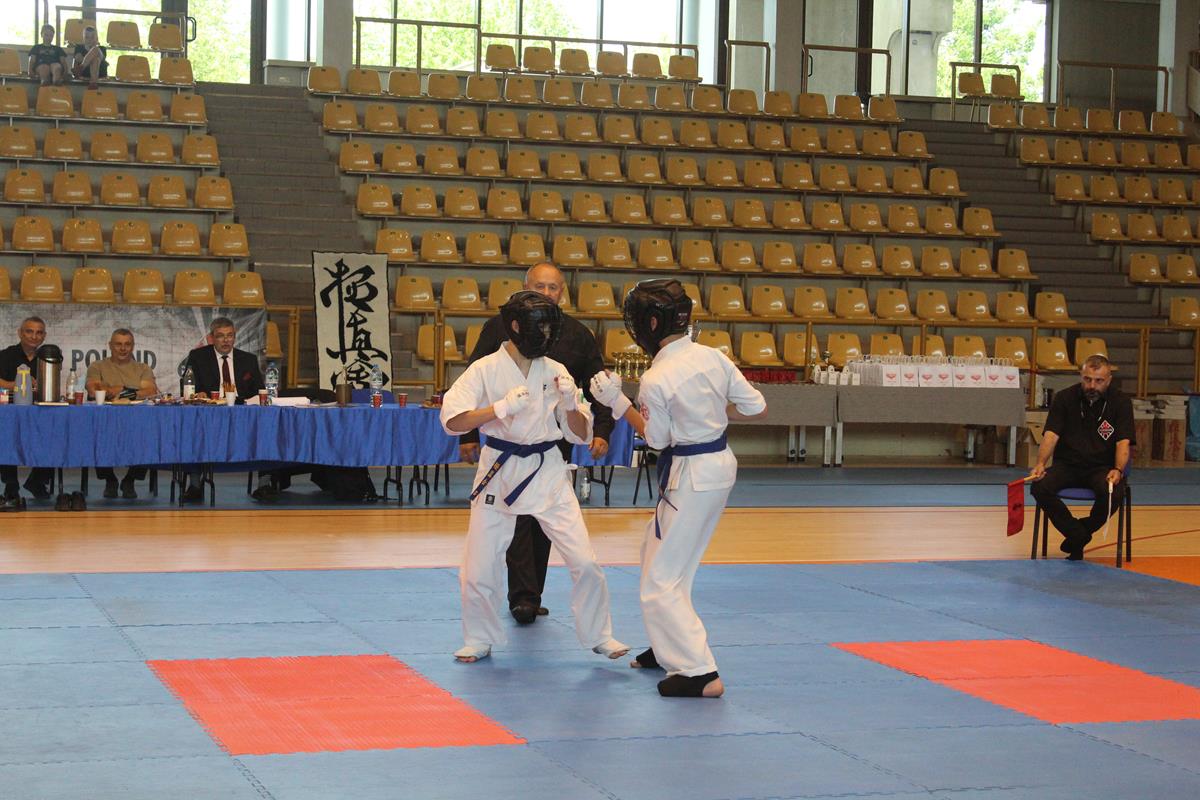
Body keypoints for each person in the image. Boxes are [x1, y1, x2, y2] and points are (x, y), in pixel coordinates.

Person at [589, 279, 767, 698]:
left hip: (690, 474)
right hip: (717, 465)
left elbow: (656, 439)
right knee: (659, 556)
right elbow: (755, 406)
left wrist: (618, 403)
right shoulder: (713, 356)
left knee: (662, 578)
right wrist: (705, 414)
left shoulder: (657, 377)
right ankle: (667, 644)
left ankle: (698, 672)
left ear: (650, 324)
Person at [439, 290, 627, 664]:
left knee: (585, 560)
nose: (546, 334)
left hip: (547, 469)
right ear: (516, 326)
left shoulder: (556, 370)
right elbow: (453, 421)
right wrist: (498, 408)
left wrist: (571, 405)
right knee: (479, 566)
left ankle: (600, 634)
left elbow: (580, 434)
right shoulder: (484, 369)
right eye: (540, 327)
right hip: (500, 467)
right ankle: (478, 637)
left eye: (549, 327)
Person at [459, 263, 614, 625]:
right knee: (514, 521)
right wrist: (468, 435)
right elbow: (471, 382)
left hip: (554, 441)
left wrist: (602, 430)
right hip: (506, 444)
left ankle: (532, 593)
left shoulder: (576, 334)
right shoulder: (500, 327)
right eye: (539, 286)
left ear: (563, 293)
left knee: (545, 522)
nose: (546, 293)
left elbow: (596, 384)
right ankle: (522, 597)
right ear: (524, 287)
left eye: (553, 288)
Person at [1030, 355, 1133, 561]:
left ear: (1109, 380)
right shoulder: (1064, 398)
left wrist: (1118, 469)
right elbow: (1051, 435)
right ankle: (1078, 534)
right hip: (1067, 465)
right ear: (1081, 376)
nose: (1092, 386)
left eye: (1098, 381)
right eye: (1087, 379)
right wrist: (1040, 464)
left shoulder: (1121, 402)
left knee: (1114, 492)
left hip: (1102, 468)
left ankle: (1078, 534)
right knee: (1039, 486)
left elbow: (1123, 442)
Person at [181, 317, 264, 503]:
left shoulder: (248, 359)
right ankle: (195, 485)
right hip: (210, 413)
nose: (226, 340)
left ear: (234, 337)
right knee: (193, 429)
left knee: (265, 427)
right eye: (220, 336)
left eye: (230, 336)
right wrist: (197, 393)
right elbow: (186, 386)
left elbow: (260, 390)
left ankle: (265, 484)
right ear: (212, 338)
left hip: (242, 412)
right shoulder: (198, 357)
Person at [85, 328, 159, 499]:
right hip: (105, 420)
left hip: (136, 420)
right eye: (118, 344)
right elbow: (93, 389)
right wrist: (133, 391)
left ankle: (130, 480)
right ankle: (109, 480)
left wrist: (119, 390)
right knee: (97, 435)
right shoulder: (97, 366)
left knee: (149, 436)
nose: (123, 348)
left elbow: (150, 391)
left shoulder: (142, 368)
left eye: (127, 344)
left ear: (133, 346)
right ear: (110, 345)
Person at [0, 317, 54, 501]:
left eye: (39, 332)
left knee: (55, 432)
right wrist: (18, 383)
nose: (34, 336)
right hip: (10, 412)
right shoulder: (6, 355)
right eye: (29, 331)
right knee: (7, 436)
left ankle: (37, 481)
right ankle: (11, 485)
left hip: (39, 413)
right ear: (20, 333)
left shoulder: (47, 358)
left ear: (44, 336)